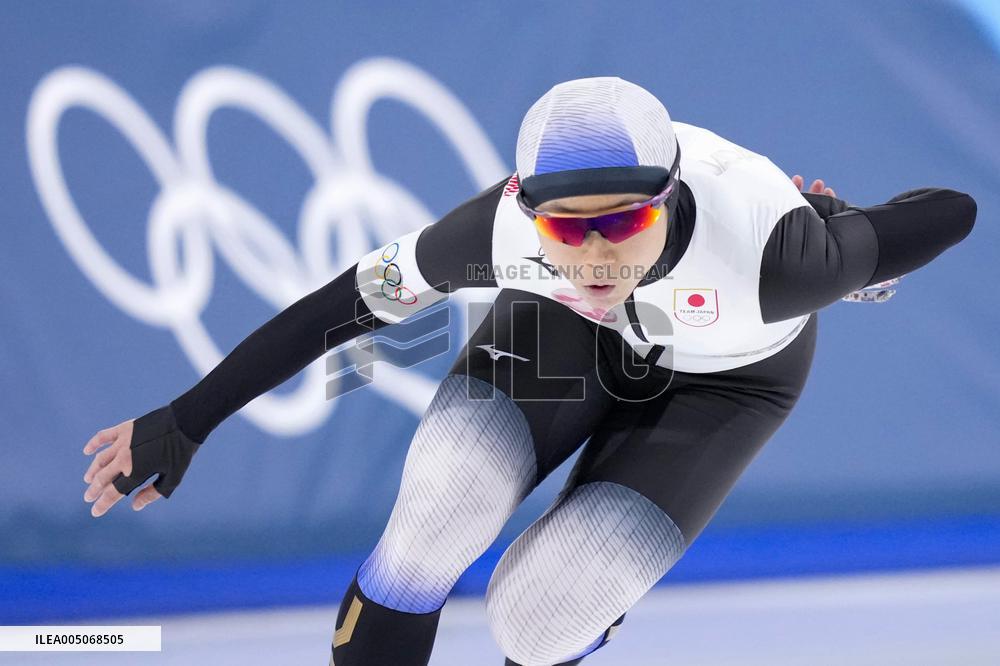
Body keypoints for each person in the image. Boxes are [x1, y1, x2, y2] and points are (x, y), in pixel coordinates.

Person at [82, 77, 977, 666]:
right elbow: (341, 307)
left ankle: (581, 614)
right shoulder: (496, 233)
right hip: (566, 331)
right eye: (565, 227)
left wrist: (845, 226)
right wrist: (188, 418)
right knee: (439, 511)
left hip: (729, 380)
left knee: (543, 616)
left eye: (622, 222)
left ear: (671, 201)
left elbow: (953, 209)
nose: (595, 254)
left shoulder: (782, 260)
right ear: (523, 206)